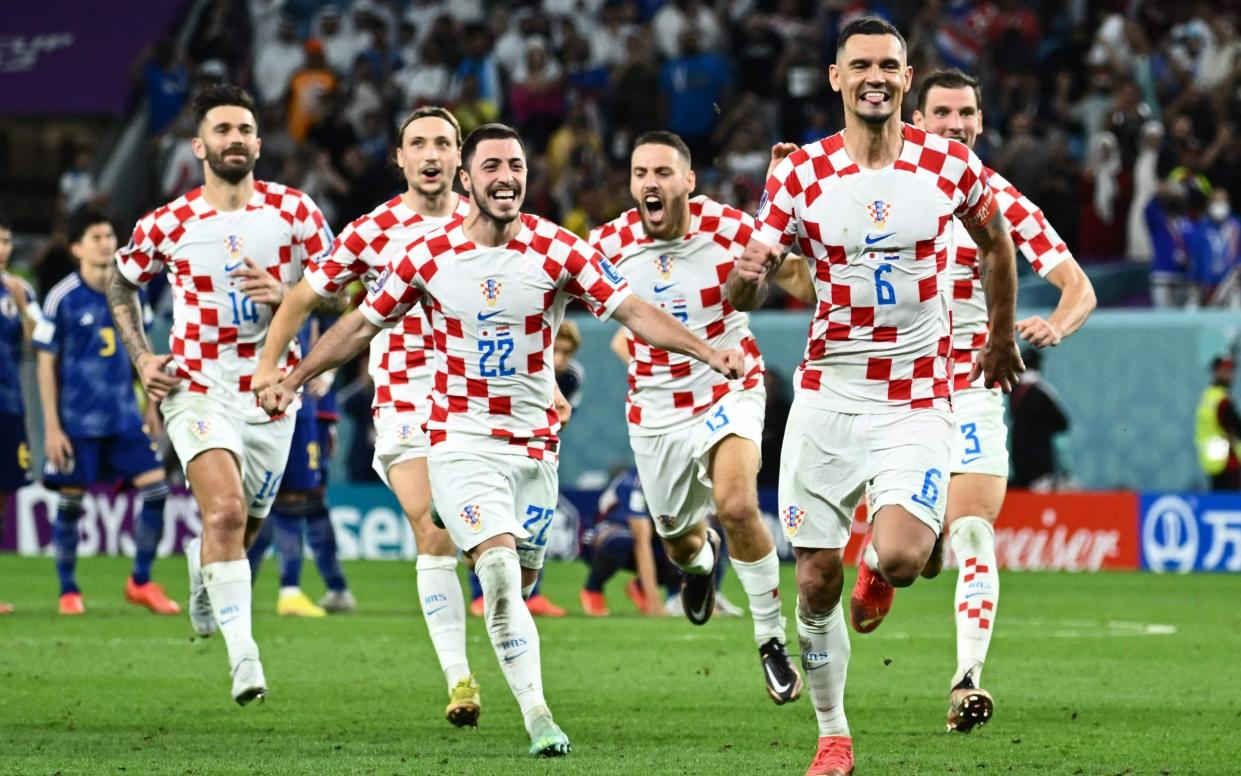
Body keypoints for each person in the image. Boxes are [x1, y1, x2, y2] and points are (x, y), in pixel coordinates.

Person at [258, 122, 745, 757]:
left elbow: (634, 314)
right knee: (496, 568)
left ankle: (508, 600)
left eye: (515, 165)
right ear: (469, 179)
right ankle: (538, 715)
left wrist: (709, 350)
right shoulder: (424, 254)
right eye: (491, 167)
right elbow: (356, 327)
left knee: (526, 570)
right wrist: (293, 376)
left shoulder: (557, 249)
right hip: (457, 438)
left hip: (533, 448)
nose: (506, 177)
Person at [730, 18, 1023, 775]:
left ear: (905, 76)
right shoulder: (801, 176)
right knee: (815, 580)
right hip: (828, 398)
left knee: (900, 556)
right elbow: (742, 285)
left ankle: (878, 564)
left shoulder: (947, 165)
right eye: (858, 64)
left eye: (887, 66)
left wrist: (997, 336)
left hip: (917, 397)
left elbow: (997, 245)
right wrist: (750, 264)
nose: (874, 76)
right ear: (834, 77)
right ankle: (833, 735)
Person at [250, 106, 484, 726]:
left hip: (489, 401)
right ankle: (459, 678)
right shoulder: (372, 232)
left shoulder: (492, 222)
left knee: (501, 547)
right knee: (432, 524)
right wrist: (270, 367)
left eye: (443, 143)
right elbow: (303, 296)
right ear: (400, 159)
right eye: (418, 144)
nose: (431, 154)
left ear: (460, 156)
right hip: (406, 396)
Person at [108, 84, 334, 705]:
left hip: (271, 393)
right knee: (227, 512)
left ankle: (201, 568)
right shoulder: (169, 222)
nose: (234, 139)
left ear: (259, 143)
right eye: (222, 130)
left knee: (243, 527)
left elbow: (345, 293)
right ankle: (245, 660)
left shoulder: (296, 213)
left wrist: (290, 292)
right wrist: (142, 357)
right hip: (196, 388)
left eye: (244, 130)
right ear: (199, 144)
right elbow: (120, 283)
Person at [590, 130, 812, 706]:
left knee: (737, 504)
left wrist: (797, 234)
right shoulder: (609, 244)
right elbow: (547, 298)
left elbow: (801, 281)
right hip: (656, 411)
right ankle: (699, 565)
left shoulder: (729, 228)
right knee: (678, 541)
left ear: (688, 181)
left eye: (664, 173)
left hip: (728, 387)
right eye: (641, 174)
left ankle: (770, 641)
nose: (651, 184)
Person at [910, 68, 1097, 732]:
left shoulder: (1002, 201)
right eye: (940, 113)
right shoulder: (878, 190)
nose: (954, 124)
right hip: (894, 393)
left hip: (973, 389)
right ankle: (890, 558)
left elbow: (1077, 286)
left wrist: (1056, 323)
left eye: (965, 113)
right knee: (903, 557)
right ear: (916, 119)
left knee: (971, 532)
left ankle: (965, 682)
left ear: (981, 122)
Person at [34, 208, 179, 616]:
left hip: (125, 419)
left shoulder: (132, 293)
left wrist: (152, 406)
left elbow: (145, 352)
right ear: (77, 247)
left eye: (110, 235)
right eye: (96, 236)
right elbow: (46, 361)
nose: (106, 243)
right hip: (77, 424)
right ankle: (68, 591)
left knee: (157, 491)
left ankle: (141, 581)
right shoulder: (62, 296)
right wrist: (52, 427)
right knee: (72, 502)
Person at [246, 323, 354, 617]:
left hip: (301, 402)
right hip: (259, 398)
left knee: (302, 499)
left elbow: (336, 316)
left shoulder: (308, 284)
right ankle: (281, 589)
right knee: (271, 502)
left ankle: (324, 588)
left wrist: (328, 378)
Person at [579, 466, 680, 617]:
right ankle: (593, 588)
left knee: (684, 547)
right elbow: (642, 542)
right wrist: (654, 602)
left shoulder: (676, 481)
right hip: (600, 537)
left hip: (644, 539)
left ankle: (674, 598)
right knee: (621, 540)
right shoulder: (635, 482)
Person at [0, 211, 36, 615]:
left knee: (2, 498)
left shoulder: (18, 290)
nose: (3, 249)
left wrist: (24, 305)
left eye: (7, 241)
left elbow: (35, 343)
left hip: (9, 404)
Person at [1008, 348, 1070, 490]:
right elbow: (1062, 423)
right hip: (1041, 466)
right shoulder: (1044, 391)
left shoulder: (1012, 391)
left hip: (1017, 462)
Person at [1195, 355, 1240, 491]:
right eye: (1225, 371)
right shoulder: (1222, 401)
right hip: (1228, 462)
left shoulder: (1208, 396)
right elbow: (1236, 426)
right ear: (1216, 372)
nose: (1230, 375)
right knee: (1230, 503)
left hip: (1213, 462)